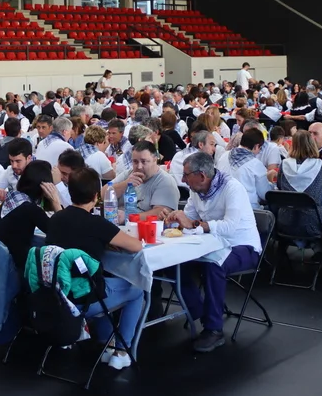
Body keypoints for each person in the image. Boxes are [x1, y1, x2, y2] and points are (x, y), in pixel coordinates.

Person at [45, 167, 144, 371]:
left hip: (56, 295)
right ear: (96, 196)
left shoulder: (55, 219)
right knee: (137, 289)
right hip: (84, 300)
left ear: (70, 191)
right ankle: (122, 352)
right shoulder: (97, 223)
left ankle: (106, 344)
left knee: (99, 284)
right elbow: (136, 246)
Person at [167, 151, 262, 353]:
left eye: (186, 175)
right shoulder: (196, 190)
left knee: (213, 266)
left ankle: (214, 329)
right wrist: (175, 219)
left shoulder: (232, 188)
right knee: (173, 261)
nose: (182, 180)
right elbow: (189, 219)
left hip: (243, 246)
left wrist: (195, 224)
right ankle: (198, 310)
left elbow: (229, 227)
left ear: (202, 175)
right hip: (213, 245)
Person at [277, 130, 322, 280]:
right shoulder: (320, 165)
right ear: (312, 145)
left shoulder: (284, 165)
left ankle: (318, 251)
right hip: (311, 224)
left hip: (284, 222)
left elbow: (279, 186)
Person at [0, 160, 61, 271]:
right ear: (44, 187)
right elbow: (58, 231)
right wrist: (55, 200)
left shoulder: (10, 199)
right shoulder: (30, 208)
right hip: (14, 267)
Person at [109, 141, 180, 219]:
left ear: (155, 160)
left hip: (143, 225)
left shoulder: (166, 181)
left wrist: (127, 217)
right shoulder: (129, 174)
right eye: (135, 162)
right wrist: (125, 184)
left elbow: (159, 214)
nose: (139, 166)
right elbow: (103, 194)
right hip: (116, 221)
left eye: (144, 161)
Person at [225, 129, 273, 209]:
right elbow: (265, 194)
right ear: (256, 146)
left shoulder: (223, 156)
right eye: (260, 148)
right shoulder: (255, 164)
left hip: (224, 206)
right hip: (249, 209)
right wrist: (271, 183)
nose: (259, 151)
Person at [0, 137, 33, 202]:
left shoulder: (39, 172)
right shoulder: (10, 171)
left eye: (18, 161)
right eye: (11, 161)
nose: (14, 166)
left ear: (29, 158)